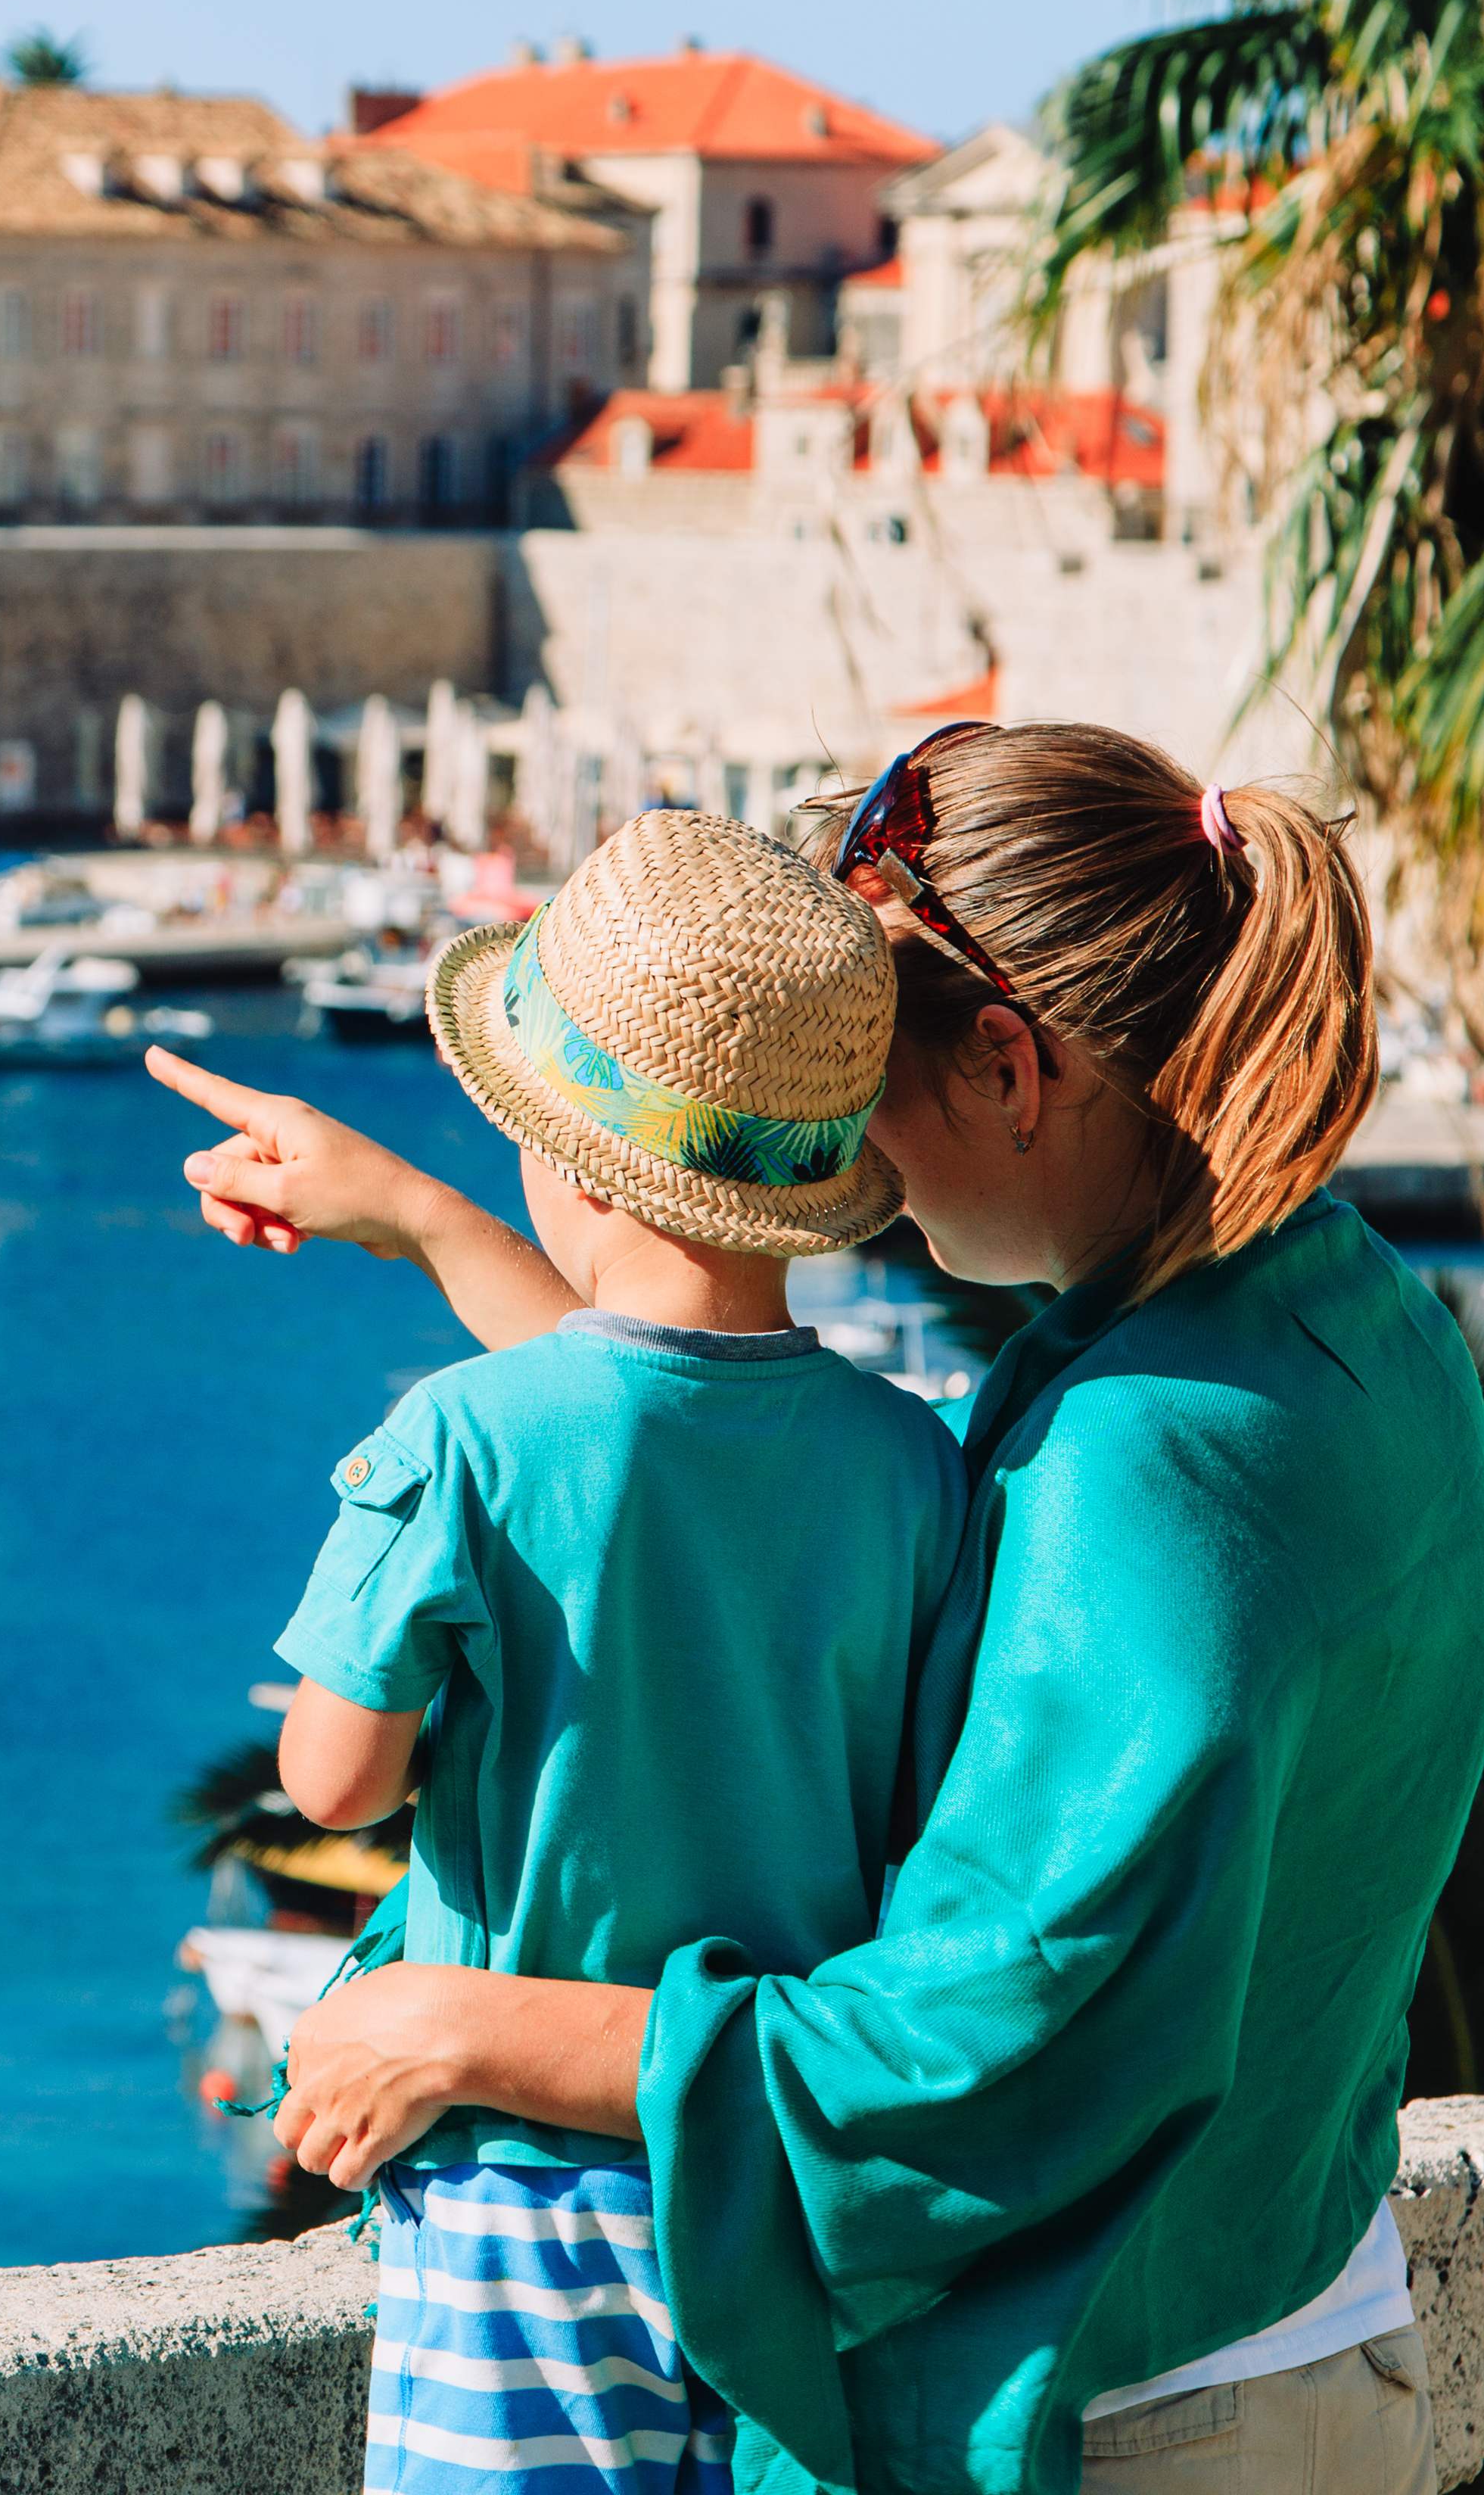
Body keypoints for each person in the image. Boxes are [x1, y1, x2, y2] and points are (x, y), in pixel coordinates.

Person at [152, 723, 1484, 2495]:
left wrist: (464, 2024)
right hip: (1306, 2311)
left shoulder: (1136, 1462)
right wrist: (422, 1221)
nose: (846, 1144)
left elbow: (966, 2048)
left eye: (876, 1066)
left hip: (1126, 2404)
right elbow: (723, 1466)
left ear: (1012, 1064)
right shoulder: (1352, 1324)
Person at [237, 805, 968, 2495]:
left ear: (557, 1152)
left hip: (520, 2201)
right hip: (771, 2179)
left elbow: (330, 1775)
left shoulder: (466, 1437)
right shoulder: (912, 1460)